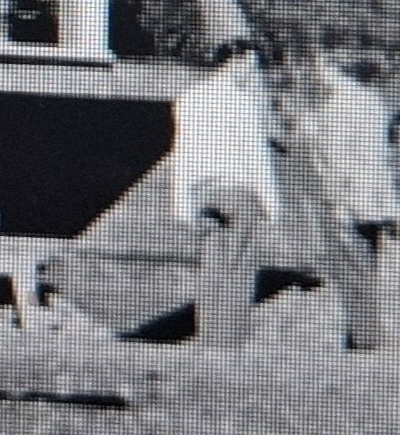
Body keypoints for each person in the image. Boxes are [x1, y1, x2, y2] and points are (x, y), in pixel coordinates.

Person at [265, 48, 396, 352]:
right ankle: (365, 336)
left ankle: (364, 338)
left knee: (351, 272)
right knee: (365, 270)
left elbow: (333, 159)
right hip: (373, 202)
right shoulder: (373, 103)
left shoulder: (333, 107)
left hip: (345, 201)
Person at [170, 42, 280, 348]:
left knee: (213, 266)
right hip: (238, 192)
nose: (253, 72)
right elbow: (256, 155)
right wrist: (271, 204)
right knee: (240, 267)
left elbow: (183, 153)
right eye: (252, 64)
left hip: (205, 192)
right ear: (238, 61)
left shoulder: (190, 98)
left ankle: (210, 335)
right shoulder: (242, 101)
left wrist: (183, 204)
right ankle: (230, 339)